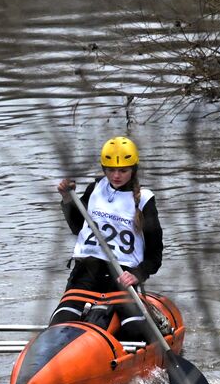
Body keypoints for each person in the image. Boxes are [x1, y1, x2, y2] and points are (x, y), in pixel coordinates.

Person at [51, 136, 163, 335]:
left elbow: (155, 254)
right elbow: (78, 228)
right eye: (111, 170)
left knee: (133, 331)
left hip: (121, 276)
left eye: (123, 170)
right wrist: (68, 200)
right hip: (86, 272)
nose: (116, 176)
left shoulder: (144, 200)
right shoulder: (95, 189)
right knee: (59, 324)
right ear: (104, 169)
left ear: (133, 170)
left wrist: (138, 274)